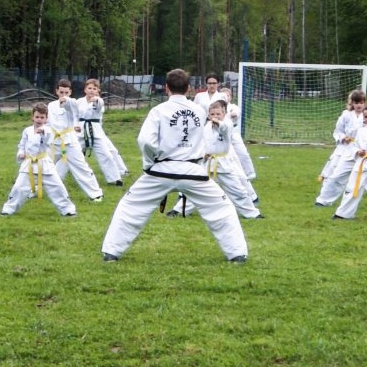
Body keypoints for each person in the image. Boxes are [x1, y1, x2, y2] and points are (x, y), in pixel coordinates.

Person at [101, 68, 247, 264]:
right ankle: (237, 253)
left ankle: (111, 252)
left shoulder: (159, 111)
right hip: (193, 171)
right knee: (222, 208)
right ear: (189, 88)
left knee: (130, 206)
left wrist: (151, 162)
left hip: (161, 169)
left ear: (166, 88)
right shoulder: (200, 110)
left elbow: (145, 141)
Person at [0, 103, 77, 217]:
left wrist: (43, 132)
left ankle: (67, 209)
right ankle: (9, 208)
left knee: (57, 186)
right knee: (19, 187)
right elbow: (22, 145)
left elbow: (48, 140)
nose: (39, 120)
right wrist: (21, 153)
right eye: (37, 117)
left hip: (44, 163)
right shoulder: (27, 131)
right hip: (29, 163)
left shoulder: (49, 130)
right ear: (32, 117)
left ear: (46, 119)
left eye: (42, 117)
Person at [46, 79, 103, 202]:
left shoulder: (74, 103)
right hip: (53, 142)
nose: (63, 95)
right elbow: (47, 122)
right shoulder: (51, 105)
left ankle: (96, 194)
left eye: (66, 92)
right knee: (42, 164)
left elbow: (73, 110)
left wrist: (66, 101)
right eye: (61, 92)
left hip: (70, 142)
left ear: (70, 92)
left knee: (81, 167)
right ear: (56, 91)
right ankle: (33, 188)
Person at [204, 99, 262, 219]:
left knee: (237, 190)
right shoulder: (206, 127)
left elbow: (224, 129)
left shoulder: (227, 124)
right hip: (207, 163)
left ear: (224, 114)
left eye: (218, 114)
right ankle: (179, 210)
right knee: (196, 187)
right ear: (208, 115)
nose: (215, 116)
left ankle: (252, 213)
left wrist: (218, 123)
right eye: (212, 114)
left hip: (223, 163)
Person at [315, 90, 367, 205]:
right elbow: (338, 130)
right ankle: (323, 200)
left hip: (363, 150)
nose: (359, 105)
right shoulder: (346, 115)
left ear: (364, 103)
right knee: (336, 173)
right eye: (356, 102)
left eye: (361, 102)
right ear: (352, 103)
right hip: (346, 148)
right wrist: (343, 138)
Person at [77, 78, 129, 186]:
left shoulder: (99, 101)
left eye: (94, 88)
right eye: (89, 88)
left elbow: (99, 105)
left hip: (96, 132)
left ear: (98, 91)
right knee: (72, 153)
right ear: (85, 89)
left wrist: (96, 100)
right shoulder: (79, 102)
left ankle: (114, 178)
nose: (91, 90)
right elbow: (73, 115)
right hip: (80, 132)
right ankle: (59, 174)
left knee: (107, 155)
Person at [220, 87, 256, 181]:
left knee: (242, 153)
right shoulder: (217, 108)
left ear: (231, 97)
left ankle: (249, 173)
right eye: (223, 95)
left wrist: (228, 115)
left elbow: (235, 114)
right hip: (220, 135)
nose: (225, 97)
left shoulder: (234, 107)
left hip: (233, 133)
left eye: (227, 95)